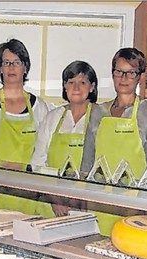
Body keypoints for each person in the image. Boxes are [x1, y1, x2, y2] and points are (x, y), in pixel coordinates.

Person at [81, 47, 147, 236]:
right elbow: (87, 160)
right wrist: (82, 199)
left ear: (140, 77)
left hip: (135, 207)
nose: (123, 78)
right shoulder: (97, 111)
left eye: (131, 72)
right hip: (98, 203)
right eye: (118, 71)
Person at [0, 38, 49, 214]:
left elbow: (43, 155)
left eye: (17, 62)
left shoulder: (39, 107)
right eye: (6, 62)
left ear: (25, 68)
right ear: (0, 68)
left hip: (28, 194)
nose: (11, 67)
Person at [31, 60, 104, 218]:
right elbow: (38, 163)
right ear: (65, 86)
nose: (76, 88)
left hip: (87, 207)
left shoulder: (102, 118)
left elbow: (104, 166)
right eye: (71, 82)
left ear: (92, 87)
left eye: (82, 82)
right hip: (51, 206)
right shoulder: (53, 118)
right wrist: (55, 199)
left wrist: (81, 199)